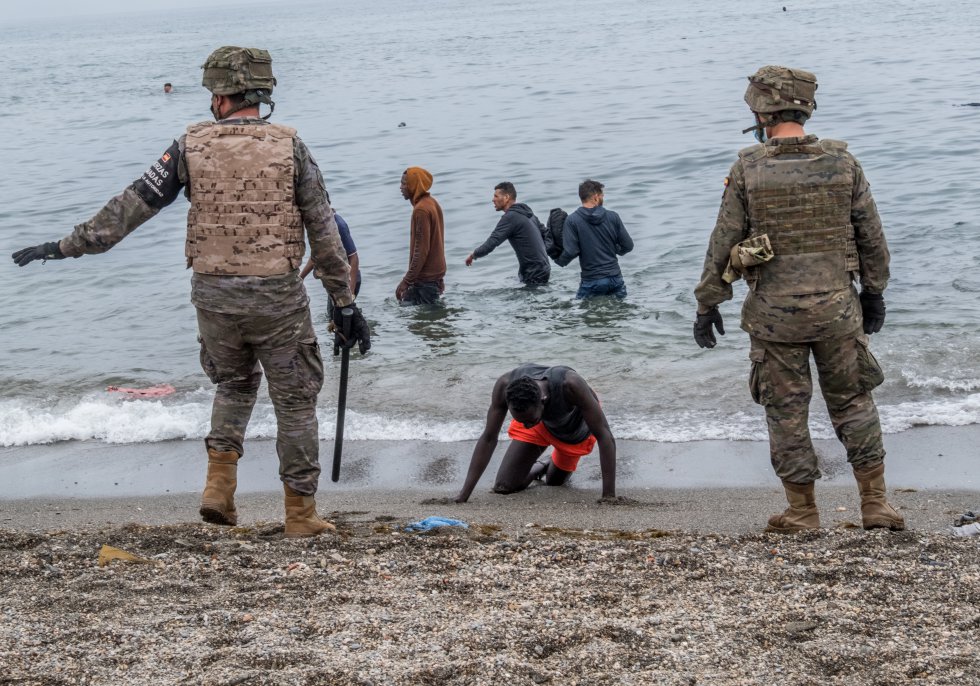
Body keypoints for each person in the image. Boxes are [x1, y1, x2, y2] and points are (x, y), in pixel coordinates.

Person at [11, 46, 371, 538]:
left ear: (221, 97)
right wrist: (345, 302)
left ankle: (219, 490)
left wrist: (63, 246)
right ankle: (301, 514)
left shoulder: (188, 146)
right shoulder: (291, 147)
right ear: (260, 96)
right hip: (277, 300)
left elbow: (129, 209)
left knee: (233, 385)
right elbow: (324, 231)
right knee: (295, 402)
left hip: (213, 298)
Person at [693, 65, 904, 533]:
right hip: (837, 311)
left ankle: (803, 512)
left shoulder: (748, 167)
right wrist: (874, 293)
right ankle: (875, 505)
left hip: (774, 318)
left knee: (786, 413)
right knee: (853, 403)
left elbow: (723, 240)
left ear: (763, 111)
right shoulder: (843, 164)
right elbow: (872, 236)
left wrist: (709, 303)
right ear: (806, 107)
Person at [454, 364, 617, 503]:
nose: (525, 426)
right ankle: (539, 466)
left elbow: (605, 436)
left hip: (572, 430)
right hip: (539, 424)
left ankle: (549, 463)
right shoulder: (506, 386)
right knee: (503, 486)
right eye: (521, 421)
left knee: (554, 482)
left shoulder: (571, 385)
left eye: (528, 421)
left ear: (543, 399)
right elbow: (489, 438)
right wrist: (463, 495)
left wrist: (608, 496)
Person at [555, 179, 634, 299]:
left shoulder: (572, 220)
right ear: (596, 197)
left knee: (584, 314)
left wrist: (560, 261)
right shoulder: (613, 216)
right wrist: (615, 249)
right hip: (616, 278)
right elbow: (628, 246)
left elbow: (571, 251)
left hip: (592, 281)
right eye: (602, 195)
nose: (603, 198)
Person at [465, 181, 550, 285]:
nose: (493, 199)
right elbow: (547, 234)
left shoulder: (510, 217)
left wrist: (474, 255)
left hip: (533, 272)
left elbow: (492, 242)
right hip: (544, 268)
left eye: (496, 196)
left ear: (506, 197)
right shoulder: (527, 213)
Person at [396, 166, 446, 305]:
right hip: (430, 278)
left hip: (425, 280)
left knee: (426, 322)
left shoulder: (421, 211)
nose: (401, 187)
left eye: (404, 183)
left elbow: (421, 250)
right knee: (420, 317)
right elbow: (438, 243)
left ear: (413, 185)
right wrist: (439, 277)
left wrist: (406, 281)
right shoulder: (432, 203)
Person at [301, 210, 360, 298]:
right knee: (332, 311)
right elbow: (317, 255)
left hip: (349, 281)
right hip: (336, 281)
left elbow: (354, 258)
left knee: (344, 310)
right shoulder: (323, 225)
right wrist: (301, 278)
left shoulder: (339, 225)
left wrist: (350, 292)